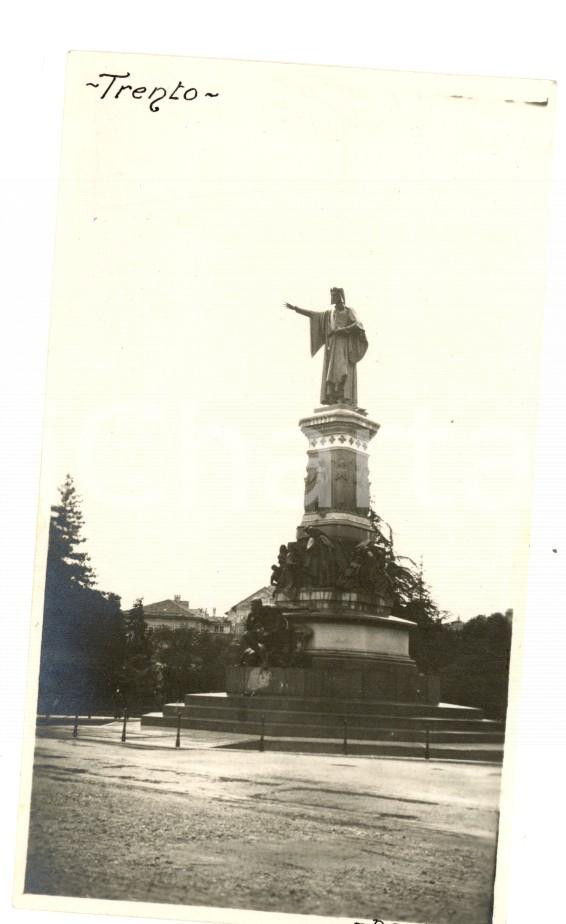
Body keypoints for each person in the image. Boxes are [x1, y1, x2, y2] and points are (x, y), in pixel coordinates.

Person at [284, 287, 368, 406]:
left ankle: (343, 396)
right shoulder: (329, 314)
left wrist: (343, 330)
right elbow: (313, 315)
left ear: (342, 297)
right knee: (332, 373)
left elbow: (358, 325)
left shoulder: (349, 311)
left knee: (342, 370)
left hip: (344, 345)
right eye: (333, 297)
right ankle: (334, 396)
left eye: (336, 297)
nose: (335, 300)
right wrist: (296, 309)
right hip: (332, 347)